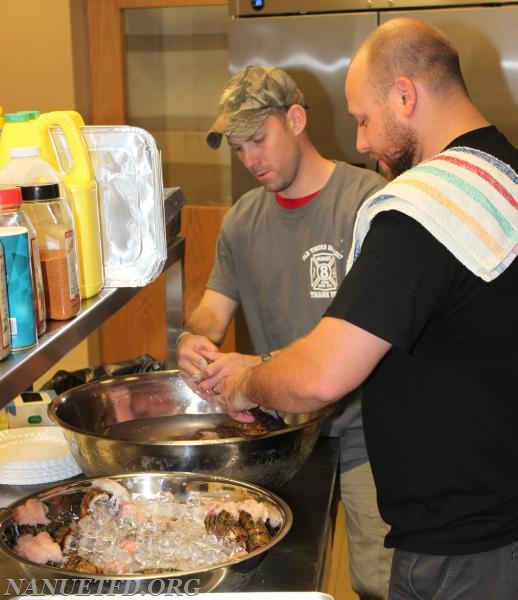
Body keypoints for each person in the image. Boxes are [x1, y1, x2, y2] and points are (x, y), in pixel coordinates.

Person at [212, 20, 518, 600]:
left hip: (460, 552)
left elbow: (321, 376)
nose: (359, 142)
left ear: (405, 97)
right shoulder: (505, 172)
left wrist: (247, 383)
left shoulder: (425, 209)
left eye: (363, 119)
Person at [176, 65, 392, 599]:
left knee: (378, 581)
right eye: (237, 147)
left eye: (257, 139)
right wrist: (192, 340)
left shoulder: (369, 201)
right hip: (278, 440)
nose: (249, 159)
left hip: (370, 434)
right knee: (277, 578)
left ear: (295, 119)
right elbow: (212, 309)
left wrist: (259, 366)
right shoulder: (242, 220)